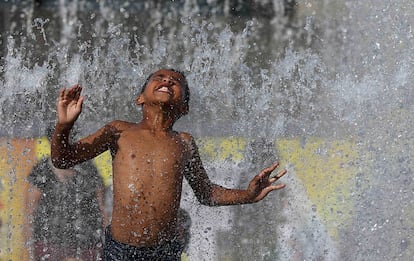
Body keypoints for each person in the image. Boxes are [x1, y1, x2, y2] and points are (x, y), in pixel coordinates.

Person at [51, 68, 287, 260]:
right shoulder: (118, 131)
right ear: (140, 98)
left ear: (184, 107)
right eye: (159, 78)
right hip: (120, 249)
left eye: (176, 82)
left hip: (164, 250)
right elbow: (63, 159)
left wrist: (247, 194)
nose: (167, 81)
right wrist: (64, 125)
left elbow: (206, 193)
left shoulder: (184, 142)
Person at [25, 135, 108, 260]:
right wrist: (29, 243)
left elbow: (102, 208)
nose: (63, 146)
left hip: (85, 241)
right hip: (49, 241)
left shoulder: (87, 168)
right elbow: (30, 209)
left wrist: (107, 240)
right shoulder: (42, 169)